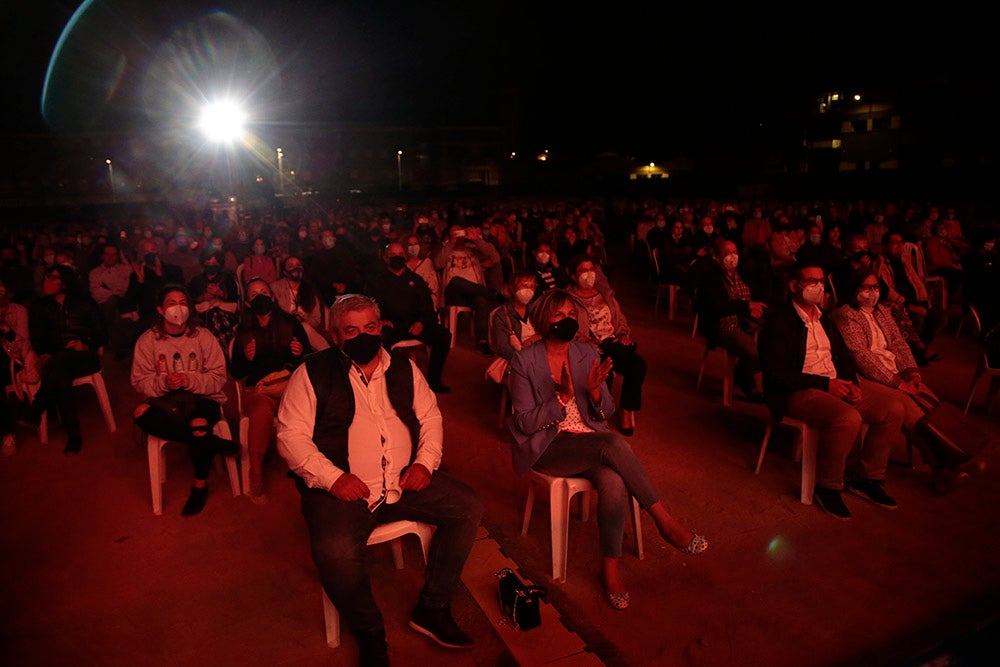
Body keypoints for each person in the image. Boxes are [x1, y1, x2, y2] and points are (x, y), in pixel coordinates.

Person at [276, 294, 482, 665]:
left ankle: (432, 608)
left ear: (380, 326)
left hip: (404, 481)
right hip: (344, 491)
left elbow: (431, 418)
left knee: (467, 506)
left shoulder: (404, 368)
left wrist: (424, 464)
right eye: (351, 330)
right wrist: (333, 478)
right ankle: (369, 633)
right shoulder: (311, 373)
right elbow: (290, 436)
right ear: (337, 336)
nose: (363, 336)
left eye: (369, 327)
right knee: (335, 553)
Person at [507, 288, 707, 610]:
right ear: (544, 319)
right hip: (549, 445)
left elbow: (606, 413)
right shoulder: (524, 361)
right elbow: (526, 423)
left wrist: (597, 393)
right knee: (613, 442)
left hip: (589, 440)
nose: (567, 321)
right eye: (559, 316)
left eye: (572, 315)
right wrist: (559, 398)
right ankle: (664, 521)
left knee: (613, 481)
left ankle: (609, 570)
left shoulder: (586, 354)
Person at [758, 262, 906, 520]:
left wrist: (851, 384)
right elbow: (777, 374)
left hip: (833, 382)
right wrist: (826, 385)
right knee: (848, 418)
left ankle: (868, 477)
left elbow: (842, 356)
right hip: (799, 390)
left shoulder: (823, 318)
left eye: (821, 282)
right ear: (794, 286)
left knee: (892, 409)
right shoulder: (780, 322)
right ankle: (828, 486)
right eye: (811, 281)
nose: (818, 287)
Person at [830, 268, 981, 493]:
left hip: (893, 371)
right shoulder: (845, 315)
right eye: (865, 288)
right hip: (866, 375)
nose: (871, 293)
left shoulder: (881, 311)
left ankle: (953, 458)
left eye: (875, 287)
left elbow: (899, 344)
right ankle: (944, 467)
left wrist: (912, 373)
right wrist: (897, 382)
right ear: (853, 290)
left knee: (930, 401)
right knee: (911, 410)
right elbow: (861, 357)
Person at [130, 284, 239, 516]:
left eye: (182, 303)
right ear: (160, 309)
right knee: (140, 412)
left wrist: (191, 381)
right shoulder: (147, 341)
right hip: (166, 400)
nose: (178, 308)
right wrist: (163, 383)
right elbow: (139, 382)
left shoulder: (204, 337)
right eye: (171, 303)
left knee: (199, 423)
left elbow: (218, 378)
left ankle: (200, 484)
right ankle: (213, 443)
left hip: (202, 397)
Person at [229, 277, 311, 503]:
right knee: (262, 413)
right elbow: (236, 372)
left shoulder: (289, 323)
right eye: (254, 295)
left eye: (264, 292)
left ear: (273, 297)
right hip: (258, 391)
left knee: (308, 405)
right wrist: (246, 358)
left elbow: (308, 361)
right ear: (247, 303)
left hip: (288, 386)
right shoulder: (244, 331)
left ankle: (309, 463)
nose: (260, 297)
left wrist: (299, 353)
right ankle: (255, 474)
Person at [24, 264, 106, 454]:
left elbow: (102, 334)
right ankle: (74, 435)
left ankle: (36, 409)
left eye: (54, 277)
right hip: (56, 359)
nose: (48, 281)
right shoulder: (39, 306)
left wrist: (85, 345)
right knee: (61, 376)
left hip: (84, 356)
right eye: (47, 277)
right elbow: (36, 337)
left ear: (65, 283)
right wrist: (44, 353)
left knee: (60, 366)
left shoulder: (84, 302)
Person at [566, 256, 646, 435]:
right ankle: (599, 414)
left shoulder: (606, 294)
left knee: (637, 365)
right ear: (573, 276)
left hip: (613, 343)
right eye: (582, 271)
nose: (588, 274)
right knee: (603, 373)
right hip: (589, 348)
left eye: (591, 269)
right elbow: (567, 327)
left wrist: (623, 335)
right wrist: (584, 339)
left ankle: (626, 410)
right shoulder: (568, 299)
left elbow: (620, 320)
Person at [366, 242, 453, 393]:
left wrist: (421, 322)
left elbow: (427, 306)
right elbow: (368, 305)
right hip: (391, 325)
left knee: (444, 336)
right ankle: (387, 384)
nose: (397, 258)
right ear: (386, 258)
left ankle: (433, 380)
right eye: (393, 255)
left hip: (415, 324)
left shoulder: (416, 280)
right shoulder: (377, 280)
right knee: (379, 338)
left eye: (400, 255)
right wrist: (379, 321)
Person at [694, 238, 767, 401]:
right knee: (750, 349)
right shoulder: (711, 278)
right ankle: (749, 387)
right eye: (727, 253)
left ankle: (742, 379)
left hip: (743, 321)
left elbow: (752, 297)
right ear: (717, 258)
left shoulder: (742, 274)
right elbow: (719, 307)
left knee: (769, 341)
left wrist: (754, 310)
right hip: (720, 324)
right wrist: (747, 306)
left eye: (734, 252)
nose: (732, 257)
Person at [270, 254, 329, 351]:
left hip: (306, 329)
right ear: (285, 272)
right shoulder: (275, 288)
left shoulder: (309, 289)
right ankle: (328, 352)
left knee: (304, 326)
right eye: (291, 266)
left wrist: (305, 320)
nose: (296, 268)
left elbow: (317, 319)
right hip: (284, 328)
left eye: (298, 265)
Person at [187, 250, 241, 355]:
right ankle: (224, 352)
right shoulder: (196, 280)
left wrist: (221, 293)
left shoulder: (227, 279)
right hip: (203, 313)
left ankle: (220, 352)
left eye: (214, 264)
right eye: (208, 264)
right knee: (213, 315)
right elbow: (190, 299)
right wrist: (202, 297)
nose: (211, 267)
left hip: (225, 312)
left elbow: (235, 299)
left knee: (216, 314)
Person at [488, 272, 541, 363]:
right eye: (524, 286)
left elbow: (548, 331)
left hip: (541, 354)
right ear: (513, 289)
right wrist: (524, 359)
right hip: (520, 360)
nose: (528, 290)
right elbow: (503, 348)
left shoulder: (537, 309)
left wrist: (535, 338)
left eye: (532, 287)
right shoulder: (502, 315)